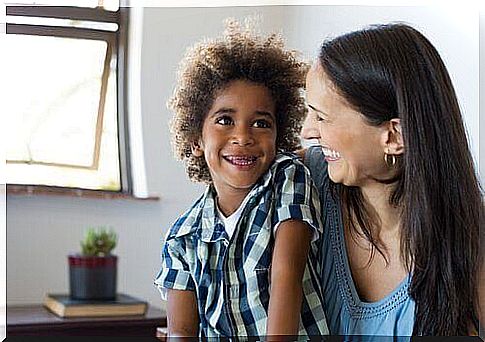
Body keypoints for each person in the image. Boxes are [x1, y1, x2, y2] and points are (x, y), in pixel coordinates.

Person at [300, 23, 482, 336]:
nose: (307, 132)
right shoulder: (304, 183)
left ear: (393, 136)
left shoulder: (472, 241)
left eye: (322, 117)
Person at [154, 19, 328, 338]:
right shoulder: (181, 238)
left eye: (261, 124)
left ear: (279, 134)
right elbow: (182, 332)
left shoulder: (288, 178)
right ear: (196, 139)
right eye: (224, 120)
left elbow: (286, 275)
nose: (242, 137)